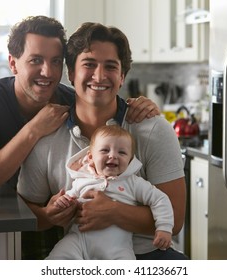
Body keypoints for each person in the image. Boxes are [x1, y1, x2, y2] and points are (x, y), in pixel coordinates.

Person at [0, 16, 160, 260]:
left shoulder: (67, 100)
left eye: (55, 61)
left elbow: (104, 103)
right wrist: (33, 130)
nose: (47, 72)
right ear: (13, 63)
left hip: (60, 219)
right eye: (35, 60)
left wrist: (137, 105)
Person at [17, 22, 187, 260]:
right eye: (89, 64)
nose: (99, 76)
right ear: (71, 73)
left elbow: (176, 219)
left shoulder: (153, 129)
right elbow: (25, 212)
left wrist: (114, 212)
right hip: (80, 254)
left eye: (111, 66)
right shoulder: (46, 135)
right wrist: (48, 215)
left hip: (148, 256)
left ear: (122, 76)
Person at [47, 125, 173, 259]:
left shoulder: (133, 182)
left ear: (130, 160)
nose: (113, 155)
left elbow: (160, 199)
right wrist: (62, 203)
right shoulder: (82, 179)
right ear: (90, 157)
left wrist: (164, 228)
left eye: (122, 153)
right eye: (105, 150)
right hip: (78, 241)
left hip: (116, 247)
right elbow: (69, 199)